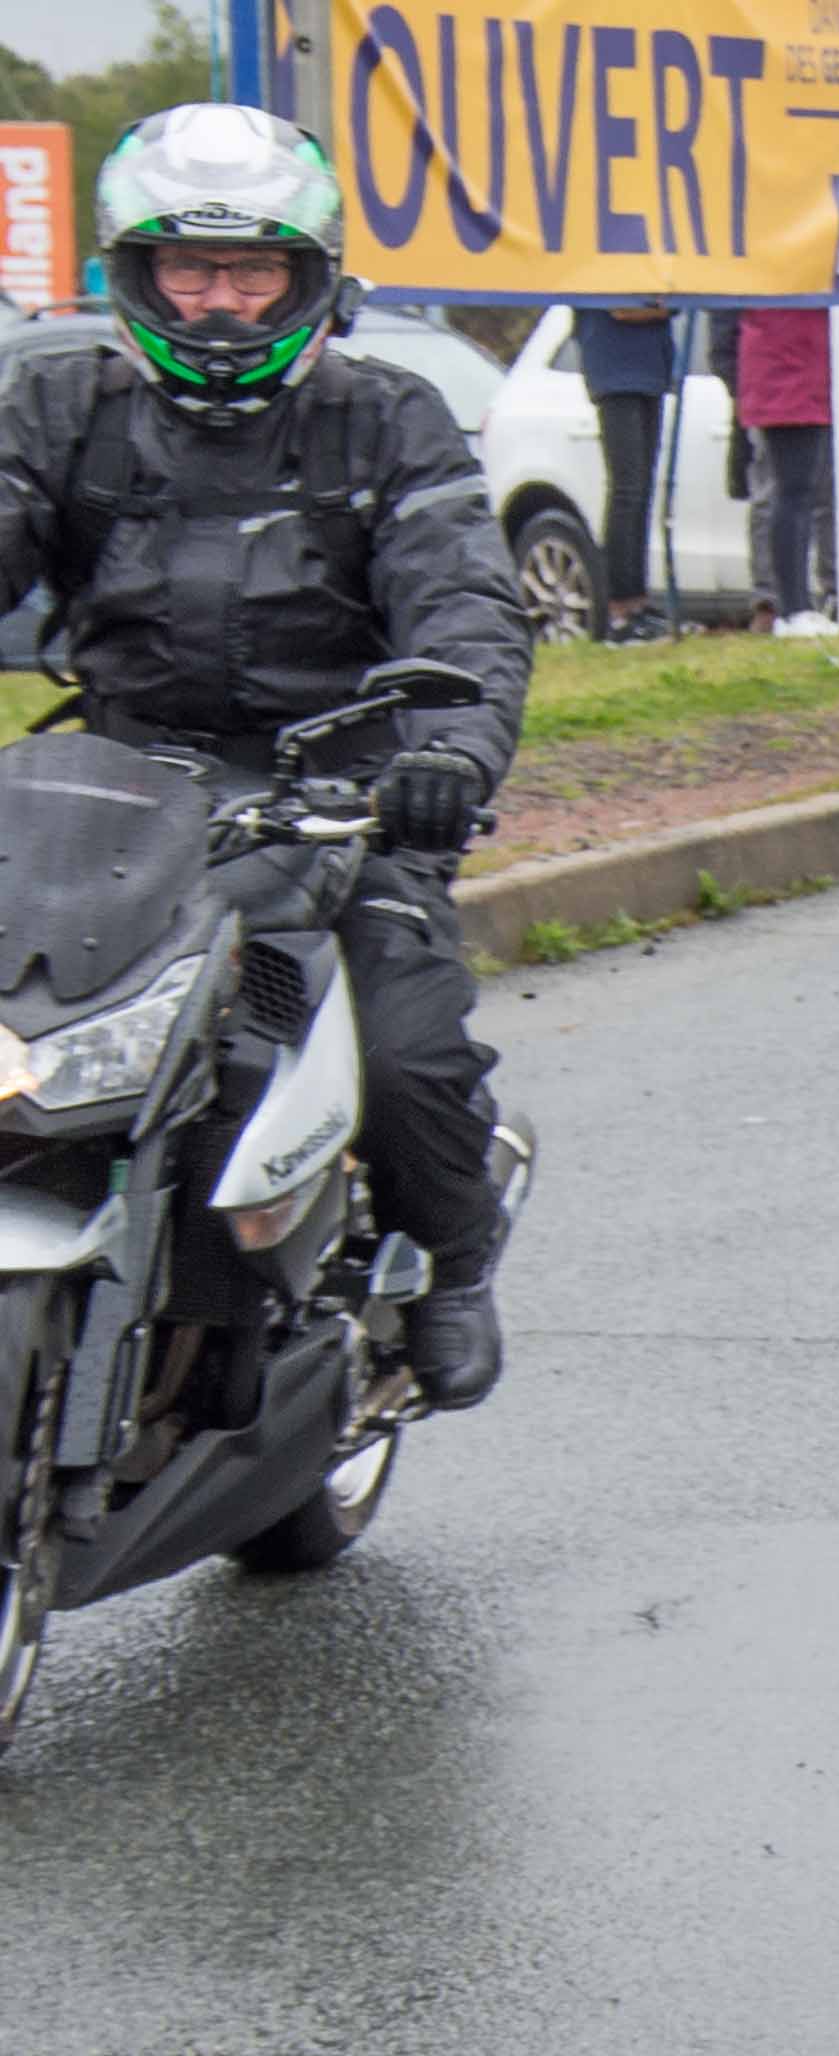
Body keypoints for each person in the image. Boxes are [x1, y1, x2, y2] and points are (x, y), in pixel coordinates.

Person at [0, 107, 526, 1404]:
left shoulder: (391, 418)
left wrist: (446, 752)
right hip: (111, 796)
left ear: (310, 279)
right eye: (190, 270)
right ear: (135, 275)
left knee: (408, 1052)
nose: (221, 304)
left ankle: (449, 1264)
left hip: (331, 798)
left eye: (252, 274)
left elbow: (464, 602)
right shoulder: (56, 404)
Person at [577, 303, 684, 639]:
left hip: (651, 370)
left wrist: (663, 308)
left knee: (642, 489)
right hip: (615, 371)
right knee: (627, 488)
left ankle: (638, 601)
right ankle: (619, 606)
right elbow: (621, 308)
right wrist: (662, 310)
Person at [733, 305, 832, 631]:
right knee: (793, 493)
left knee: (801, 493)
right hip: (787, 375)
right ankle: (793, 607)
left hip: (807, 374)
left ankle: (799, 605)